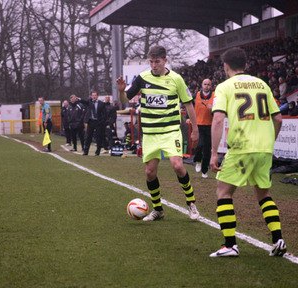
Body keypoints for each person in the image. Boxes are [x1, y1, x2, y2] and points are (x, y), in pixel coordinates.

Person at [209, 47, 286, 257]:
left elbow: (217, 119)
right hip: (264, 148)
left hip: (242, 147)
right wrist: (269, 142)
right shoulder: (262, 84)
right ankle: (278, 239)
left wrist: (214, 153)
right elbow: (278, 118)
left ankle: (230, 244)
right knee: (263, 194)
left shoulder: (224, 87)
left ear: (226, 66)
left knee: (223, 192)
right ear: (245, 64)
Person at [116, 45, 200, 221]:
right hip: (151, 133)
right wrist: (122, 91)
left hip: (170, 131)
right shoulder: (142, 78)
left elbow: (189, 104)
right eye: (151, 62)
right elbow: (125, 100)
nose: (154, 65)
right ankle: (158, 209)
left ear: (165, 60)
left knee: (177, 165)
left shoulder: (176, 79)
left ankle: (191, 204)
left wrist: (195, 129)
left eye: (157, 62)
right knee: (149, 172)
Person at [193, 78, 214, 178]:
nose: (207, 86)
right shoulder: (196, 95)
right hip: (199, 124)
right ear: (202, 85)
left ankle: (204, 170)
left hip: (210, 125)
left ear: (211, 85)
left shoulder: (215, 96)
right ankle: (197, 160)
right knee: (200, 144)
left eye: (208, 84)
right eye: (205, 84)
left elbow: (219, 109)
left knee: (207, 149)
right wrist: (189, 118)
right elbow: (191, 107)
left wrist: (213, 108)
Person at [82, 91, 106, 156]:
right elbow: (84, 102)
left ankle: (97, 152)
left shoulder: (101, 103)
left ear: (97, 96)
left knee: (98, 137)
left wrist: (102, 121)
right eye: (93, 95)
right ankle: (85, 151)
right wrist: (78, 99)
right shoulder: (89, 102)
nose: (94, 96)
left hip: (98, 122)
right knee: (88, 137)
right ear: (91, 96)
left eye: (95, 95)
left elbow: (104, 113)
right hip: (91, 121)